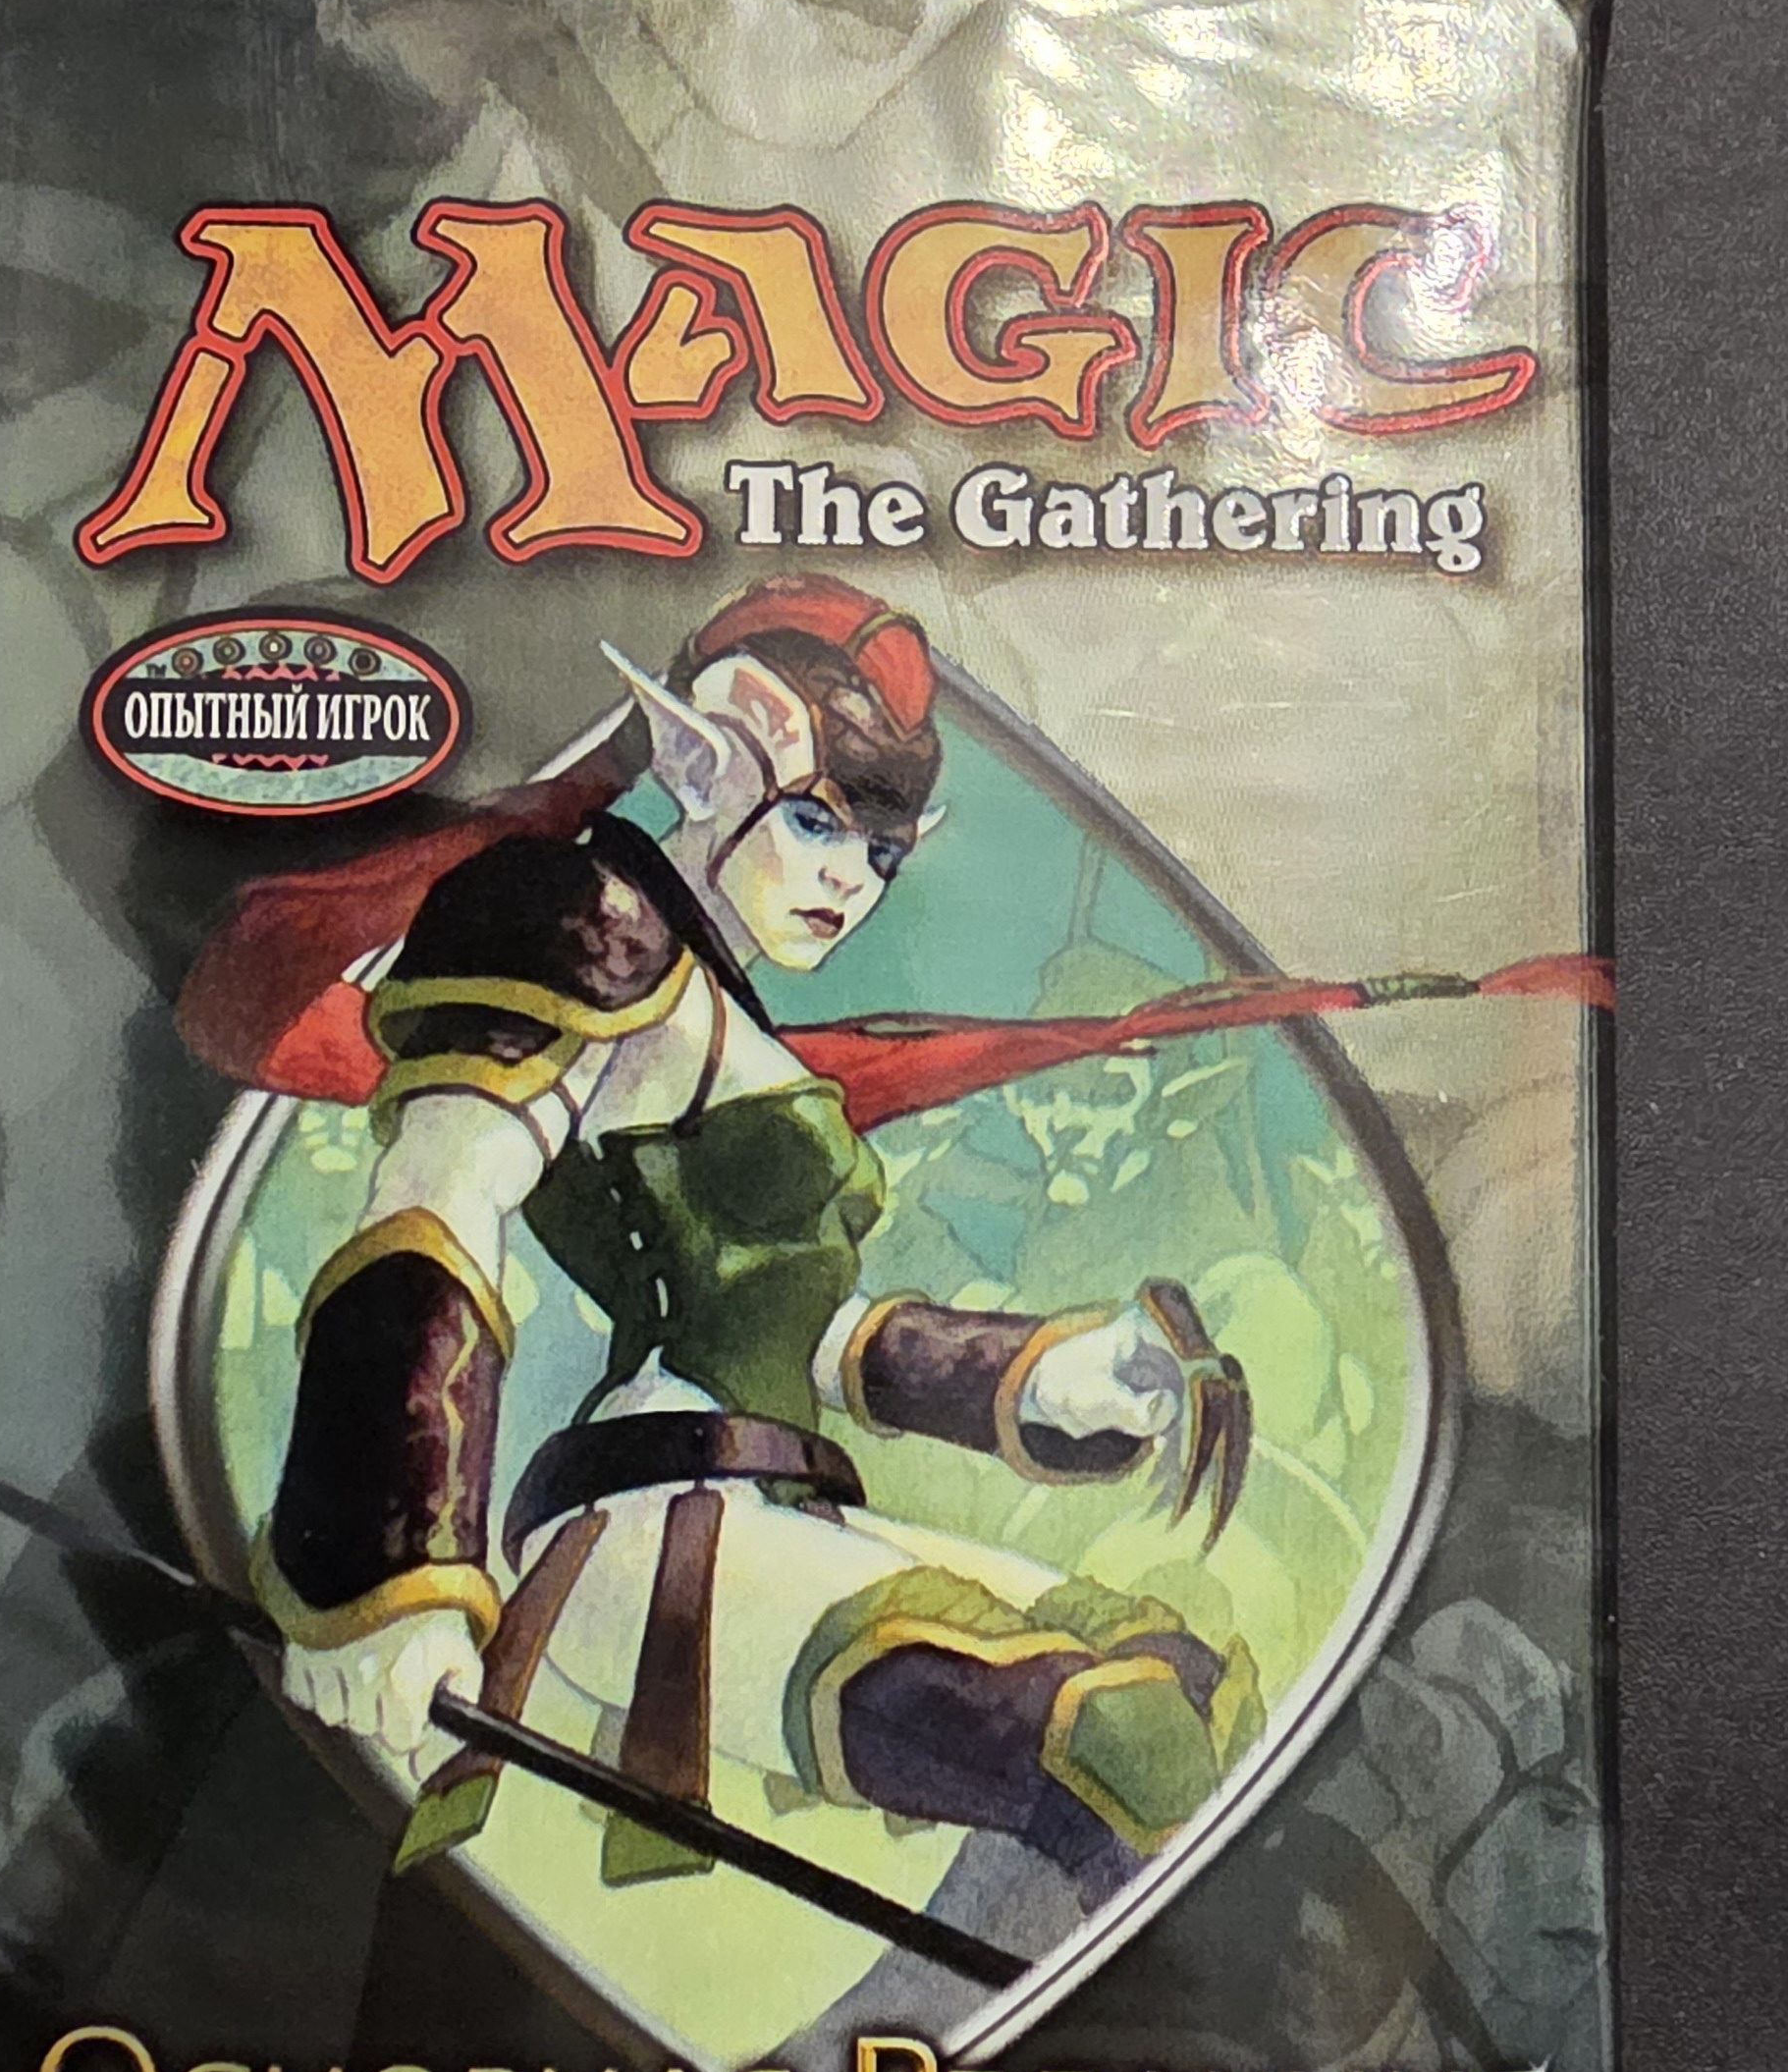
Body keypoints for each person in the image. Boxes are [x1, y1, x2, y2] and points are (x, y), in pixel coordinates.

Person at [232, 574, 1258, 1904]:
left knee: (1181, 1693)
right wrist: (381, 1559)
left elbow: (801, 1334)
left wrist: (1045, 1374)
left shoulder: (730, 1031)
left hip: (774, 1504)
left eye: (882, 853)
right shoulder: (578, 921)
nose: (848, 881)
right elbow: (435, 1202)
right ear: (703, 767)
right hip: (648, 1535)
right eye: (819, 824)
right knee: (1104, 1740)